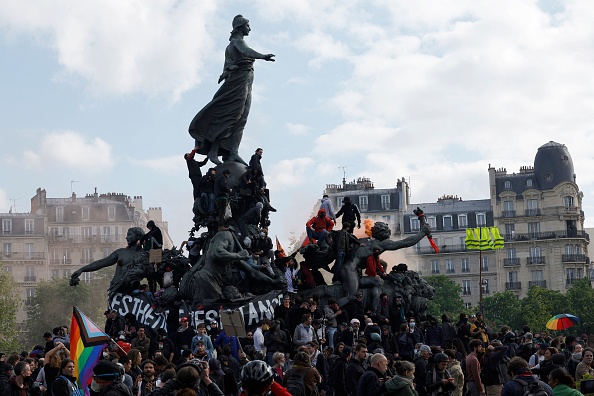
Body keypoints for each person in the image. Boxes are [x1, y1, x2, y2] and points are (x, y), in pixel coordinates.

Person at [189, 15, 275, 166]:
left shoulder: (232, 45)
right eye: (248, 25)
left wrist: (226, 72)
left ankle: (233, 151)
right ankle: (214, 151)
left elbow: (227, 65)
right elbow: (246, 51)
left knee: (242, 118)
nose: (250, 28)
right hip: (238, 83)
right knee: (233, 116)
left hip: (246, 82)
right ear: (240, 27)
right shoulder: (237, 42)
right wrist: (263, 56)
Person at [70, 227, 146, 298]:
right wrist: (82, 269)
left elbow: (152, 272)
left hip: (134, 293)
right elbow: (101, 263)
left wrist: (141, 272)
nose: (126, 237)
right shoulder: (121, 252)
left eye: (129, 235)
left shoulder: (145, 255)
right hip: (116, 290)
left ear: (138, 236)